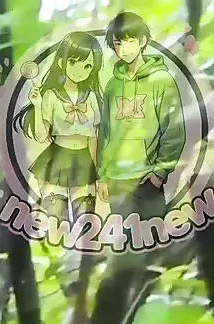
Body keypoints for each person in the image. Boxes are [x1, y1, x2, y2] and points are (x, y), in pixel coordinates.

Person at [98, 11, 183, 219]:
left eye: (129, 42)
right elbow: (105, 132)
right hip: (116, 179)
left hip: (147, 179)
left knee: (155, 241)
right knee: (126, 244)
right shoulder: (113, 86)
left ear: (142, 41)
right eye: (118, 44)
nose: (123, 49)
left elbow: (173, 129)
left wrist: (160, 172)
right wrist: (102, 176)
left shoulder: (162, 80)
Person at [22, 31, 103, 223]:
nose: (80, 70)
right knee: (56, 220)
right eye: (73, 62)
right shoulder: (50, 96)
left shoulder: (91, 98)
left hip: (84, 161)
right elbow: (42, 136)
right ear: (61, 63)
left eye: (88, 65)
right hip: (56, 160)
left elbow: (94, 138)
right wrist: (38, 105)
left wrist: (100, 172)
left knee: (86, 222)